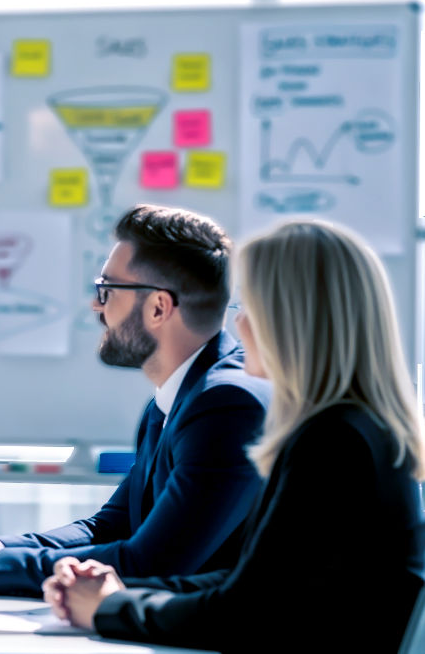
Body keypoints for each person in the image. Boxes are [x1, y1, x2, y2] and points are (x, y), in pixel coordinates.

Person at [44, 219, 425, 653]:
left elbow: (243, 611)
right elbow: (254, 578)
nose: (239, 325)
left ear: (293, 321)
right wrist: (119, 596)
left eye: (254, 306)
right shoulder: (354, 429)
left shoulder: (330, 443)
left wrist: (112, 607)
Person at [0, 205, 270, 596]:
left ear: (158, 307)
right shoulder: (178, 397)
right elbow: (109, 526)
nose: (97, 306)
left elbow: (150, 563)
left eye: (107, 290)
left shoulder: (226, 406)